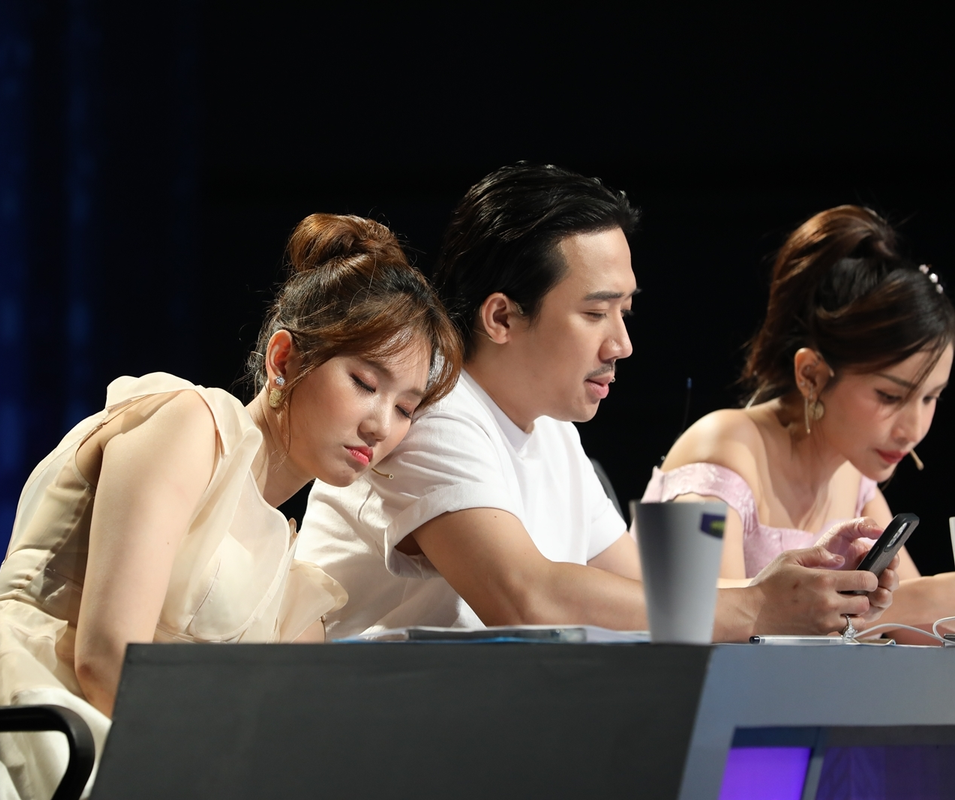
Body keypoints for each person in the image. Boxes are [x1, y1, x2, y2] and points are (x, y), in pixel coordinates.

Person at [0, 213, 462, 800]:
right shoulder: (189, 424)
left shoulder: (285, 565)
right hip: (41, 726)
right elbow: (105, 659)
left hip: (133, 743)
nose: (380, 425)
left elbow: (307, 725)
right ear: (283, 360)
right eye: (365, 383)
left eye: (405, 408)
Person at [299, 163, 896, 642]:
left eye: (624, 312)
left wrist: (798, 587)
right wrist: (757, 607)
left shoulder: (553, 429)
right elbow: (524, 598)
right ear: (501, 316)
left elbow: (654, 594)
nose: (622, 344)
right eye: (595, 313)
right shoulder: (430, 409)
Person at [645, 205, 955, 641]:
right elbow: (696, 618)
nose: (914, 428)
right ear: (811, 374)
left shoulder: (856, 481)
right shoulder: (724, 448)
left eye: (930, 398)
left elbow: (917, 633)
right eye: (890, 396)